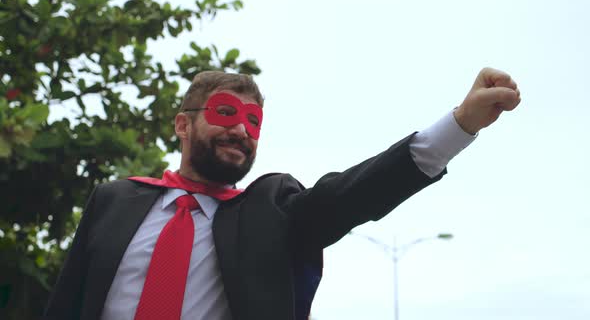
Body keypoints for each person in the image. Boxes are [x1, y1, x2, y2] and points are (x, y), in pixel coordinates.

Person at [43, 68, 521, 320]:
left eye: (253, 121)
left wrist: (460, 124)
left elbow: (355, 194)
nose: (241, 130)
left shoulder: (270, 211)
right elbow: (65, 305)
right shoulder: (114, 200)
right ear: (183, 124)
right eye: (226, 113)